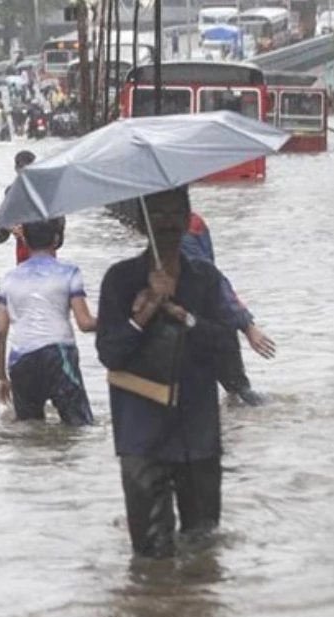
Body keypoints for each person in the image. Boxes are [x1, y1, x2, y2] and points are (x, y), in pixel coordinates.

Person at [95, 186, 233, 559]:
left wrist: (185, 318)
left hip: (197, 434)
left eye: (175, 214)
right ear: (141, 223)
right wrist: (146, 311)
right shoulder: (120, 280)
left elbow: (225, 346)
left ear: (188, 221)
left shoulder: (205, 278)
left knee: (203, 550)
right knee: (149, 556)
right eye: (157, 214)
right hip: (142, 436)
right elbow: (109, 353)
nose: (167, 222)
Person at [0, 217, 96, 426]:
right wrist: (119, 318)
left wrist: (1, 377)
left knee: (30, 430)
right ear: (56, 239)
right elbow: (85, 323)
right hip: (59, 355)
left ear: (25, 240)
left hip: (21, 360)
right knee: (80, 426)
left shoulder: (10, 278)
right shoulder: (69, 272)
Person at [181, 212, 276, 405]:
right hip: (210, 317)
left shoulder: (182, 233)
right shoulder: (192, 221)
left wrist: (246, 325)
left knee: (238, 395)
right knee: (237, 394)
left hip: (205, 319)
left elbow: (211, 278)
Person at [9, 150, 42, 264]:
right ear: (16, 168)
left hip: (44, 245)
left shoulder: (45, 189)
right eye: (23, 169)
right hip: (23, 246)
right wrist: (12, 228)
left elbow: (58, 217)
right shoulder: (11, 192)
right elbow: (5, 219)